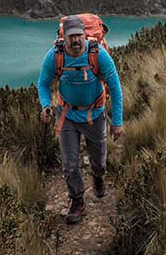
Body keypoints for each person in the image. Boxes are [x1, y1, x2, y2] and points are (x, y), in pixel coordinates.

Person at [36, 14, 123, 224]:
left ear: (84, 35)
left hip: (95, 114)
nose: (75, 40)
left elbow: (115, 87)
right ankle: (77, 201)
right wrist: (45, 105)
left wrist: (117, 122)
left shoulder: (98, 54)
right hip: (67, 115)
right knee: (70, 163)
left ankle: (98, 176)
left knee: (99, 160)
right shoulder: (54, 56)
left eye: (78, 36)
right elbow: (43, 83)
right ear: (64, 37)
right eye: (71, 36)